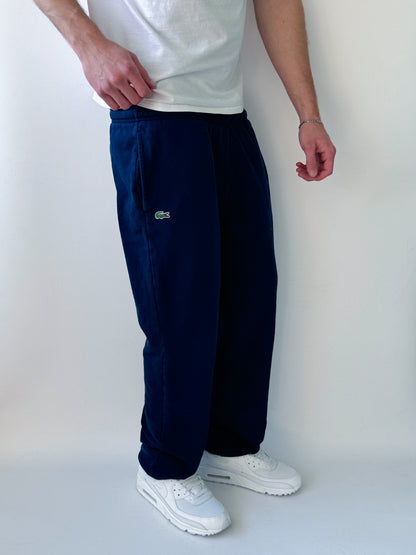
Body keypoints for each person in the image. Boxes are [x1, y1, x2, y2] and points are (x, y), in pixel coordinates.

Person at [34, 0, 336, 536]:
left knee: (248, 297)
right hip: (153, 109)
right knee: (179, 307)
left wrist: (308, 114)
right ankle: (165, 466)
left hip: (228, 114)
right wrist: (89, 44)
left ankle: (229, 445)